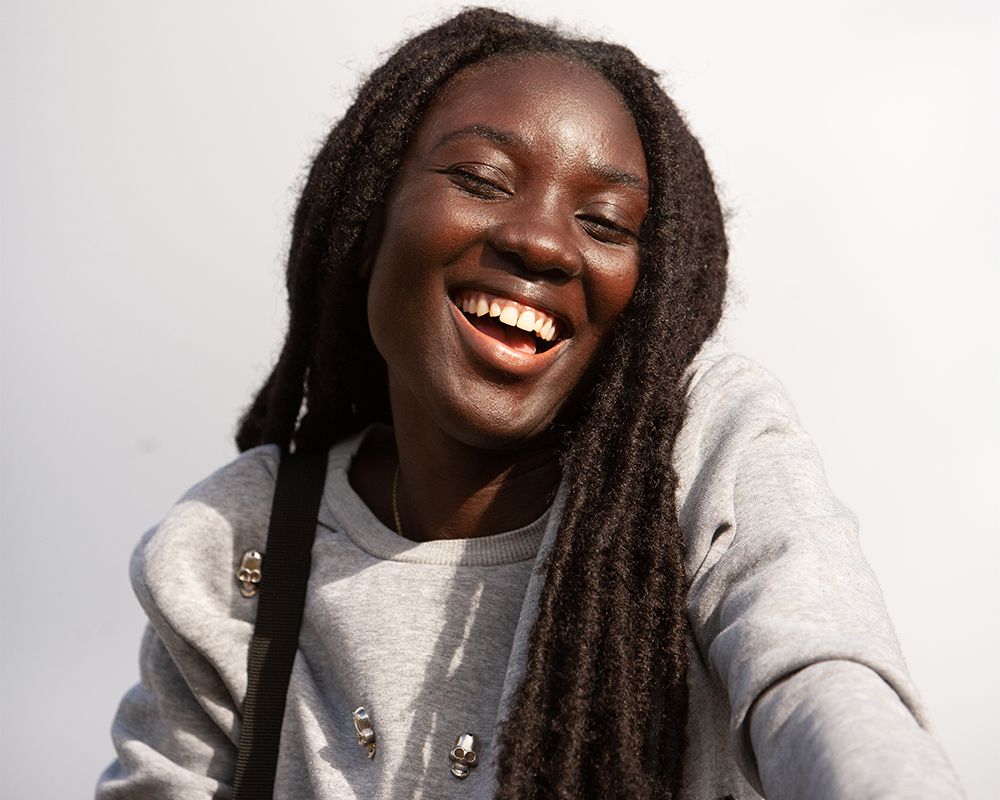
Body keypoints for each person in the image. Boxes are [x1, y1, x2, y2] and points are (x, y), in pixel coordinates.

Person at [96, 8, 963, 800]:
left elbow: (819, 682)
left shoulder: (696, 450)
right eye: (480, 177)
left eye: (605, 223)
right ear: (368, 219)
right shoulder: (233, 544)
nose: (541, 240)